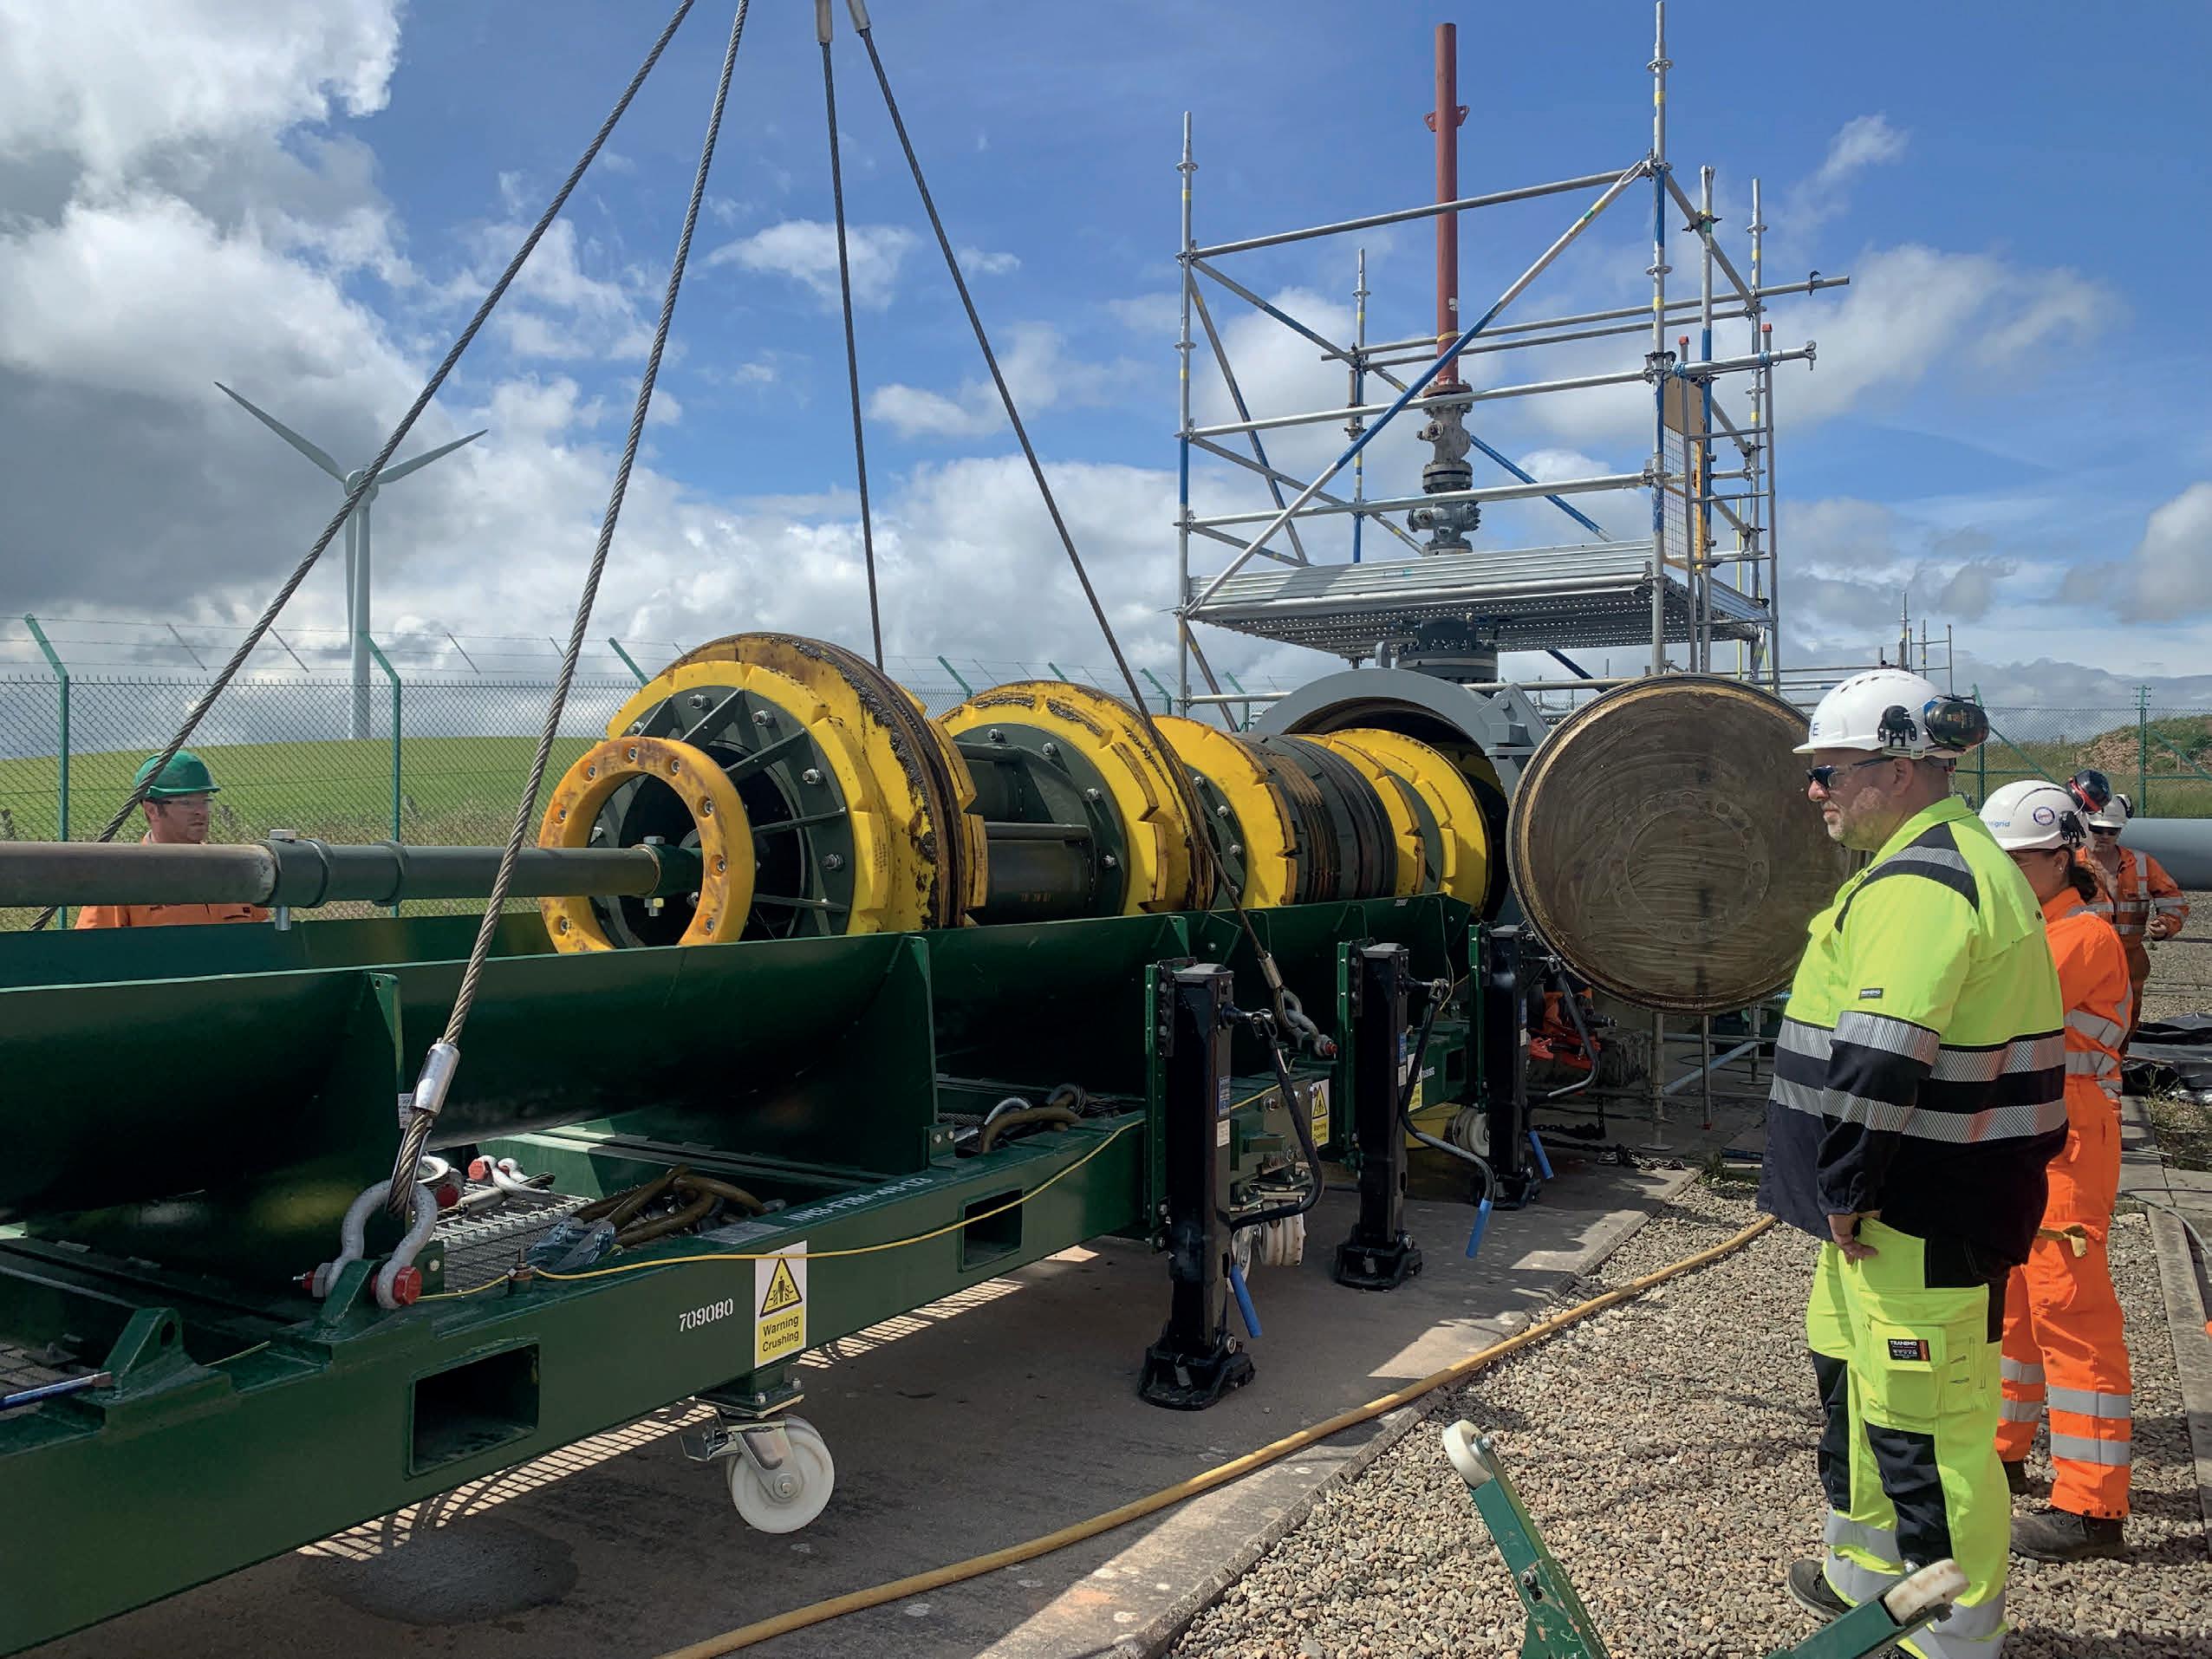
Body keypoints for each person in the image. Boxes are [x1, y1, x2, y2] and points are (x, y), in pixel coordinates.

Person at [1763, 669, 2066, 1658]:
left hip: (1914, 1207)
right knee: (1857, 1390)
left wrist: (1845, 1188)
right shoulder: (1936, 863)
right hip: (1891, 1209)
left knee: (1925, 1432)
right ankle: (1863, 1582)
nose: (1814, 789)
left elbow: (1881, 1055)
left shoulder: (1924, 883)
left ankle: (1950, 1635)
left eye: (1830, 771)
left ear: (1896, 771)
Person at [1977, 781, 2134, 1562]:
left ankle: (2092, 1506)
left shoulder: (2080, 938)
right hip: (2030, 1137)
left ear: (2064, 856)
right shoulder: (2037, 928)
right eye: (1999, 859)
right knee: (2013, 1307)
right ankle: (2002, 1454)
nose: (2008, 872)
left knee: (2072, 1316)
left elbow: (1997, 1009)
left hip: (2069, 1144)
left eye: (2023, 859)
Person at [72, 750, 269, 930]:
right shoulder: (120, 880)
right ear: (152, 810)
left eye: (205, 801)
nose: (200, 811)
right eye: (187, 803)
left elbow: (263, 940)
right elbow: (91, 950)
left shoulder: (233, 870)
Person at [2074, 794, 2187, 1039]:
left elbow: (2173, 900)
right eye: (2097, 829)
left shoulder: (2141, 864)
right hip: (2085, 962)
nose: (2104, 836)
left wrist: (2166, 924)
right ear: (2086, 826)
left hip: (2130, 963)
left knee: (2126, 1025)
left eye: (2112, 831)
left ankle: (2118, 1059)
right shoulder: (2071, 866)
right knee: (2084, 1025)